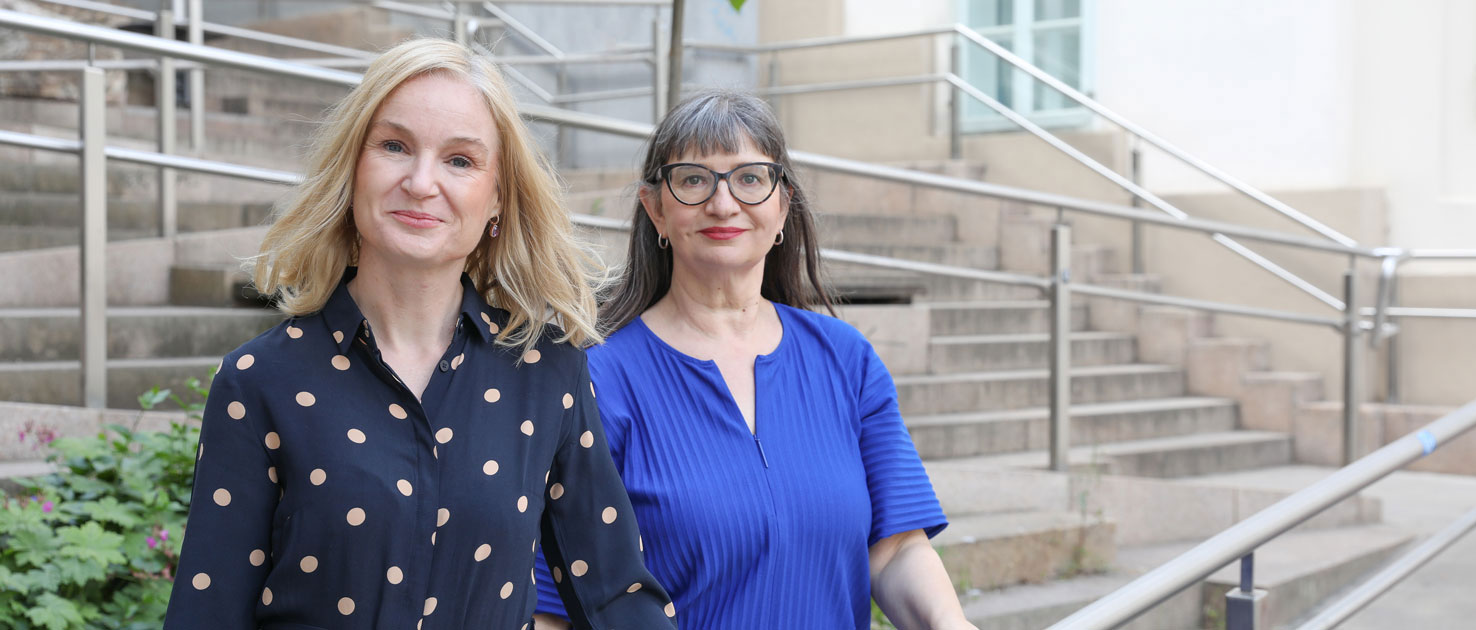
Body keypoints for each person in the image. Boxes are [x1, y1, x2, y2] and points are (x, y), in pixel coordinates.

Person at [163, 38, 676, 629]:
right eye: (394, 146)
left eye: (460, 160)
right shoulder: (260, 382)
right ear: (352, 169)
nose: (421, 181)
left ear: (497, 200)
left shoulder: (546, 371)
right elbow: (209, 611)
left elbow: (615, 595)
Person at [533, 89, 976, 629]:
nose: (723, 204)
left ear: (783, 204)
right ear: (656, 210)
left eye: (749, 178)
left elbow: (897, 548)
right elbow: (557, 605)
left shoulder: (846, 360)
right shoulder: (599, 380)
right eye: (694, 179)